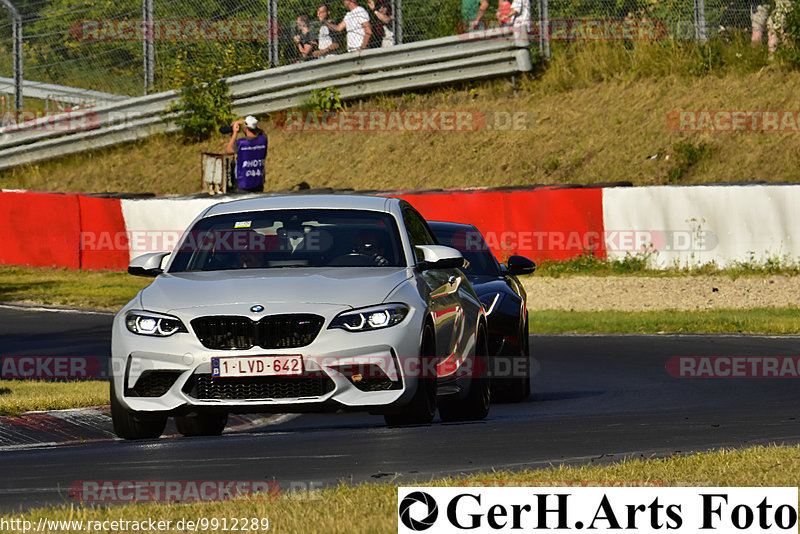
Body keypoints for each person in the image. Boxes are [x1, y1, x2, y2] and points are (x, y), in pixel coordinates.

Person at [225, 115, 267, 193]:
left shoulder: (241, 143)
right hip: (258, 182)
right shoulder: (263, 140)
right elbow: (261, 130)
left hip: (243, 184)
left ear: (245, 128)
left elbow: (228, 150)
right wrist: (249, 122)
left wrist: (235, 133)